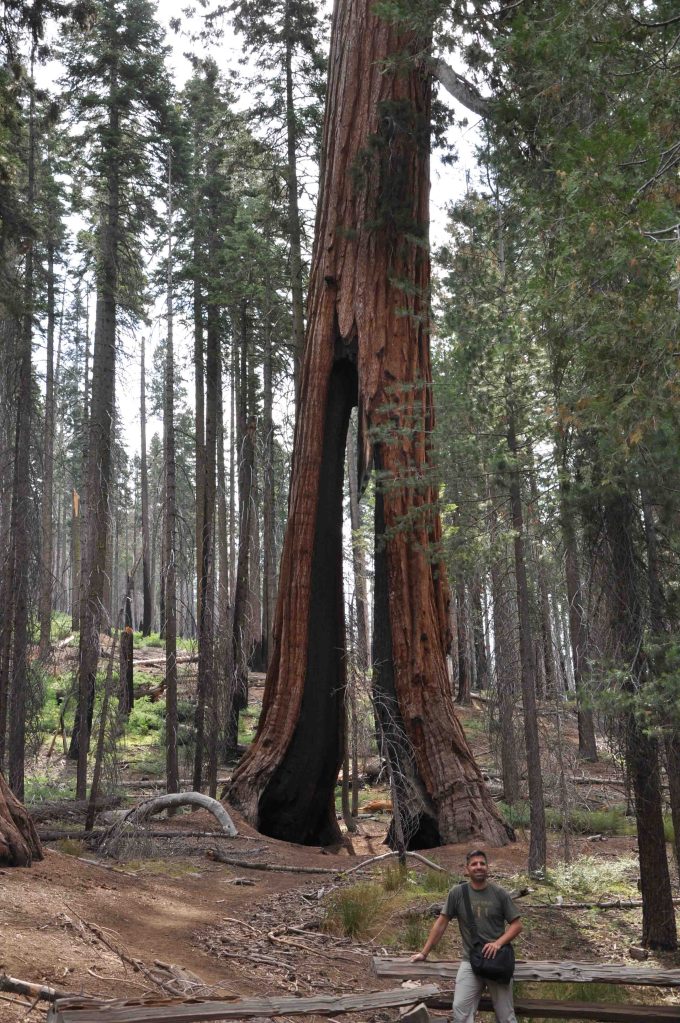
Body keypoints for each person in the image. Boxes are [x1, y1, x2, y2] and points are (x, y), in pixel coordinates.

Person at [411, 849, 522, 1023]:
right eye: (474, 864)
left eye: (482, 863)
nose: (479, 867)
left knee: (506, 1016)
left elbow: (516, 925)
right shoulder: (458, 893)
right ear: (467, 869)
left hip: (498, 962)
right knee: (460, 1010)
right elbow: (441, 924)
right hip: (471, 961)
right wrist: (424, 953)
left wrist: (498, 943)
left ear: (487, 867)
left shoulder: (499, 893)